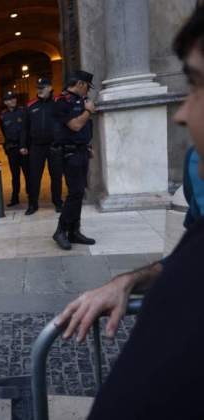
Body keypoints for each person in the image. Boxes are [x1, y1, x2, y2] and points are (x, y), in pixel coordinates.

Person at [56, 5, 204, 418]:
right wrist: (129, 280)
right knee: (69, 203)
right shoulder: (197, 177)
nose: (182, 113)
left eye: (196, 87)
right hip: (64, 156)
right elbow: (188, 258)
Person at [51, 71, 96, 250]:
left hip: (81, 151)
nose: (87, 91)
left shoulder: (80, 101)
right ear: (80, 84)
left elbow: (84, 130)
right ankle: (60, 230)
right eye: (87, 86)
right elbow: (75, 125)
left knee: (78, 193)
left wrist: (87, 146)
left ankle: (74, 231)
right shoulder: (62, 102)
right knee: (75, 192)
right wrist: (88, 111)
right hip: (69, 154)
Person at [21, 78, 63, 215]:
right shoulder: (31, 105)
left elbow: (65, 123)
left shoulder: (58, 103)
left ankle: (57, 202)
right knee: (34, 177)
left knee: (56, 176)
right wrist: (23, 145)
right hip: (36, 147)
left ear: (50, 87)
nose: (39, 90)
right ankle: (33, 204)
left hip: (54, 145)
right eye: (38, 87)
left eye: (43, 87)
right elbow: (24, 128)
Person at [0, 91, 29, 207]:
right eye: (10, 99)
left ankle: (31, 196)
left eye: (14, 98)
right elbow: (4, 132)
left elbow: (25, 130)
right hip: (12, 149)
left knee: (28, 174)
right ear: (5, 102)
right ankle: (15, 198)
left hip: (23, 148)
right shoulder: (3, 115)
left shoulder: (23, 111)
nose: (13, 100)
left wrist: (24, 145)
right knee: (15, 175)